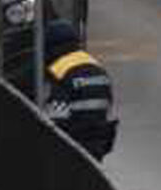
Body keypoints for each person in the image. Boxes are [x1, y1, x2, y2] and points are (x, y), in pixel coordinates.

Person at [42, 20, 117, 162]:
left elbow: (57, 117)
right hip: (99, 141)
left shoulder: (59, 70)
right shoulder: (96, 66)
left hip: (74, 144)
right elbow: (108, 105)